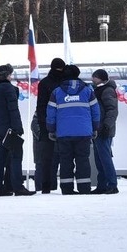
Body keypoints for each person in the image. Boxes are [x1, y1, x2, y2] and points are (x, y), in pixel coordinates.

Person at [46, 64, 100, 195]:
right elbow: (95, 111)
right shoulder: (87, 91)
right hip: (84, 132)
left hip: (63, 133)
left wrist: (51, 129)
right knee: (83, 160)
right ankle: (84, 188)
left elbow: (51, 113)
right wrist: (95, 127)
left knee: (65, 160)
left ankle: (67, 188)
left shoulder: (57, 92)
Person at [0, 64, 34, 196]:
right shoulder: (9, 89)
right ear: (6, 75)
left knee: (0, 158)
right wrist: (17, 128)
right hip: (10, 129)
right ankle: (18, 187)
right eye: (10, 74)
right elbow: (13, 110)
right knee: (16, 156)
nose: (11, 76)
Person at [34, 58, 65, 193]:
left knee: (46, 158)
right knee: (64, 156)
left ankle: (46, 186)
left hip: (47, 123)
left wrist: (43, 123)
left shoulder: (44, 83)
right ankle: (62, 185)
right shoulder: (65, 83)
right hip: (63, 123)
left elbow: (40, 106)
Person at [90, 69, 119, 194]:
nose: (92, 80)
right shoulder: (100, 90)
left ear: (100, 78)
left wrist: (107, 125)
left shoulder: (106, 91)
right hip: (99, 128)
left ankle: (112, 184)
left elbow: (112, 110)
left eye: (94, 77)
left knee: (105, 158)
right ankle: (102, 185)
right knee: (99, 159)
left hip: (104, 129)